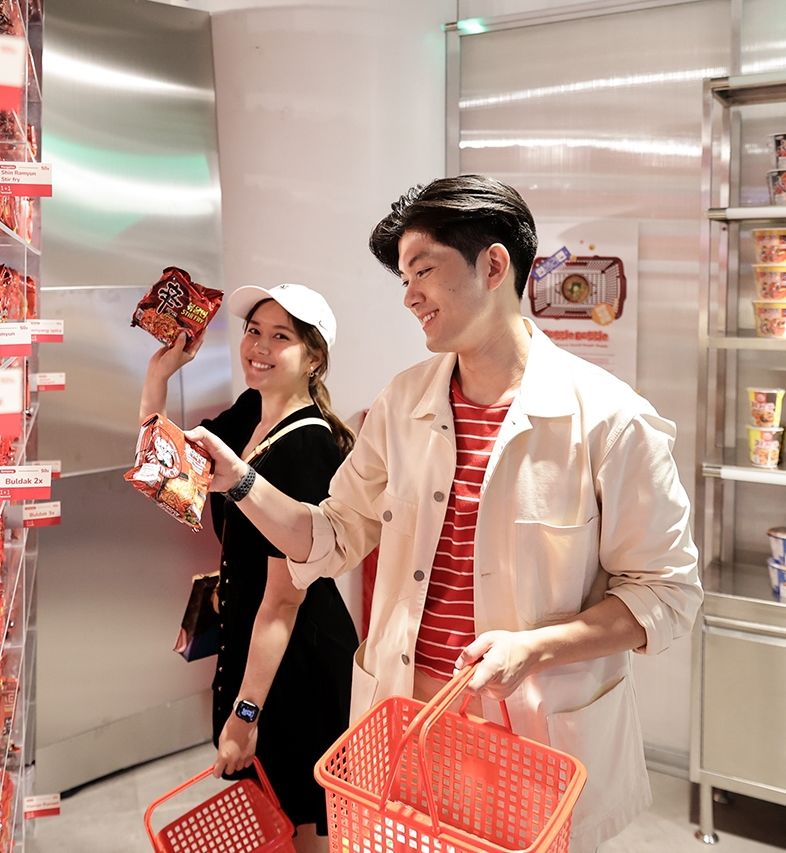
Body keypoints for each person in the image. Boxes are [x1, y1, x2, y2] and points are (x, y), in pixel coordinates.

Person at [185, 175, 703, 853]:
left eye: (423, 271)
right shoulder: (402, 403)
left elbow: (666, 593)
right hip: (404, 716)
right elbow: (332, 534)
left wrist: (534, 648)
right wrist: (241, 481)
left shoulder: (611, 420)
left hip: (534, 733)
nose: (409, 296)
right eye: (404, 278)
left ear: (493, 264)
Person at [140, 283, 359, 853]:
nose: (259, 347)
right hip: (255, 639)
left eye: (280, 336)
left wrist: (244, 714)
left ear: (313, 357)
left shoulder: (308, 449)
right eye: (254, 331)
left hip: (297, 657)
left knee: (301, 819)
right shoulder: (250, 413)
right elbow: (167, 475)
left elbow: (284, 600)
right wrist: (158, 377)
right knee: (273, 812)